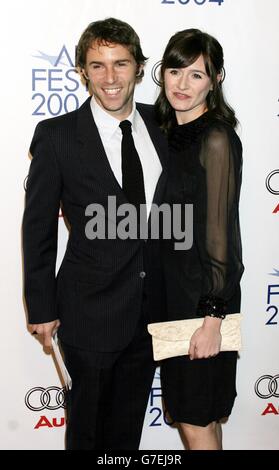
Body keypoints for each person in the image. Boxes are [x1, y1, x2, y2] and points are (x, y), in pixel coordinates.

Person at [22, 17, 168, 450]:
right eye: (97, 65)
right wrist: (41, 306)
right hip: (87, 311)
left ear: (139, 68)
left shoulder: (164, 126)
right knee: (87, 436)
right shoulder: (58, 136)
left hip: (152, 314)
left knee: (126, 438)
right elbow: (37, 229)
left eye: (120, 64)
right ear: (83, 71)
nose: (110, 78)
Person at [154, 29, 244, 450]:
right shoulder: (165, 133)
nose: (182, 85)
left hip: (202, 302)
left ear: (216, 79)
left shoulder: (216, 137)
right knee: (197, 416)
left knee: (195, 419)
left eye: (196, 75)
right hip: (171, 296)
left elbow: (222, 235)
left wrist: (212, 318)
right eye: (175, 71)